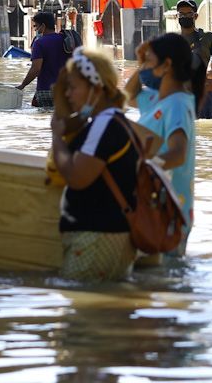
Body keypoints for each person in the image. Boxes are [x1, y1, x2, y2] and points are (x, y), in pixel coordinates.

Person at [52, 47, 141, 281]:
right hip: (106, 235)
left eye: (73, 87)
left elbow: (77, 177)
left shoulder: (104, 124)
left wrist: (56, 138)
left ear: (96, 88)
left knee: (82, 313)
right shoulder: (110, 121)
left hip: (97, 237)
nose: (69, 94)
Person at [132, 32, 199, 253]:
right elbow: (127, 95)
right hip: (153, 207)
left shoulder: (178, 103)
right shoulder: (157, 98)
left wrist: (139, 170)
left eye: (150, 61)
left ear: (167, 65)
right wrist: (142, 62)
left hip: (168, 212)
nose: (146, 67)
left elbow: (178, 153)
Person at [176, 0, 212, 119]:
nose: (185, 16)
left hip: (204, 93)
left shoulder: (208, 38)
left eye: (189, 13)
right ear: (176, 16)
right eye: (181, 14)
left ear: (196, 16)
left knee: (206, 130)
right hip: (181, 94)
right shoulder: (172, 41)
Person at [17, 11, 68, 108]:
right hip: (65, 91)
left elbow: (36, 69)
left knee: (42, 117)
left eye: (36, 26)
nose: (35, 29)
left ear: (43, 26)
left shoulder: (39, 43)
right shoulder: (65, 39)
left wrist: (23, 85)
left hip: (46, 91)